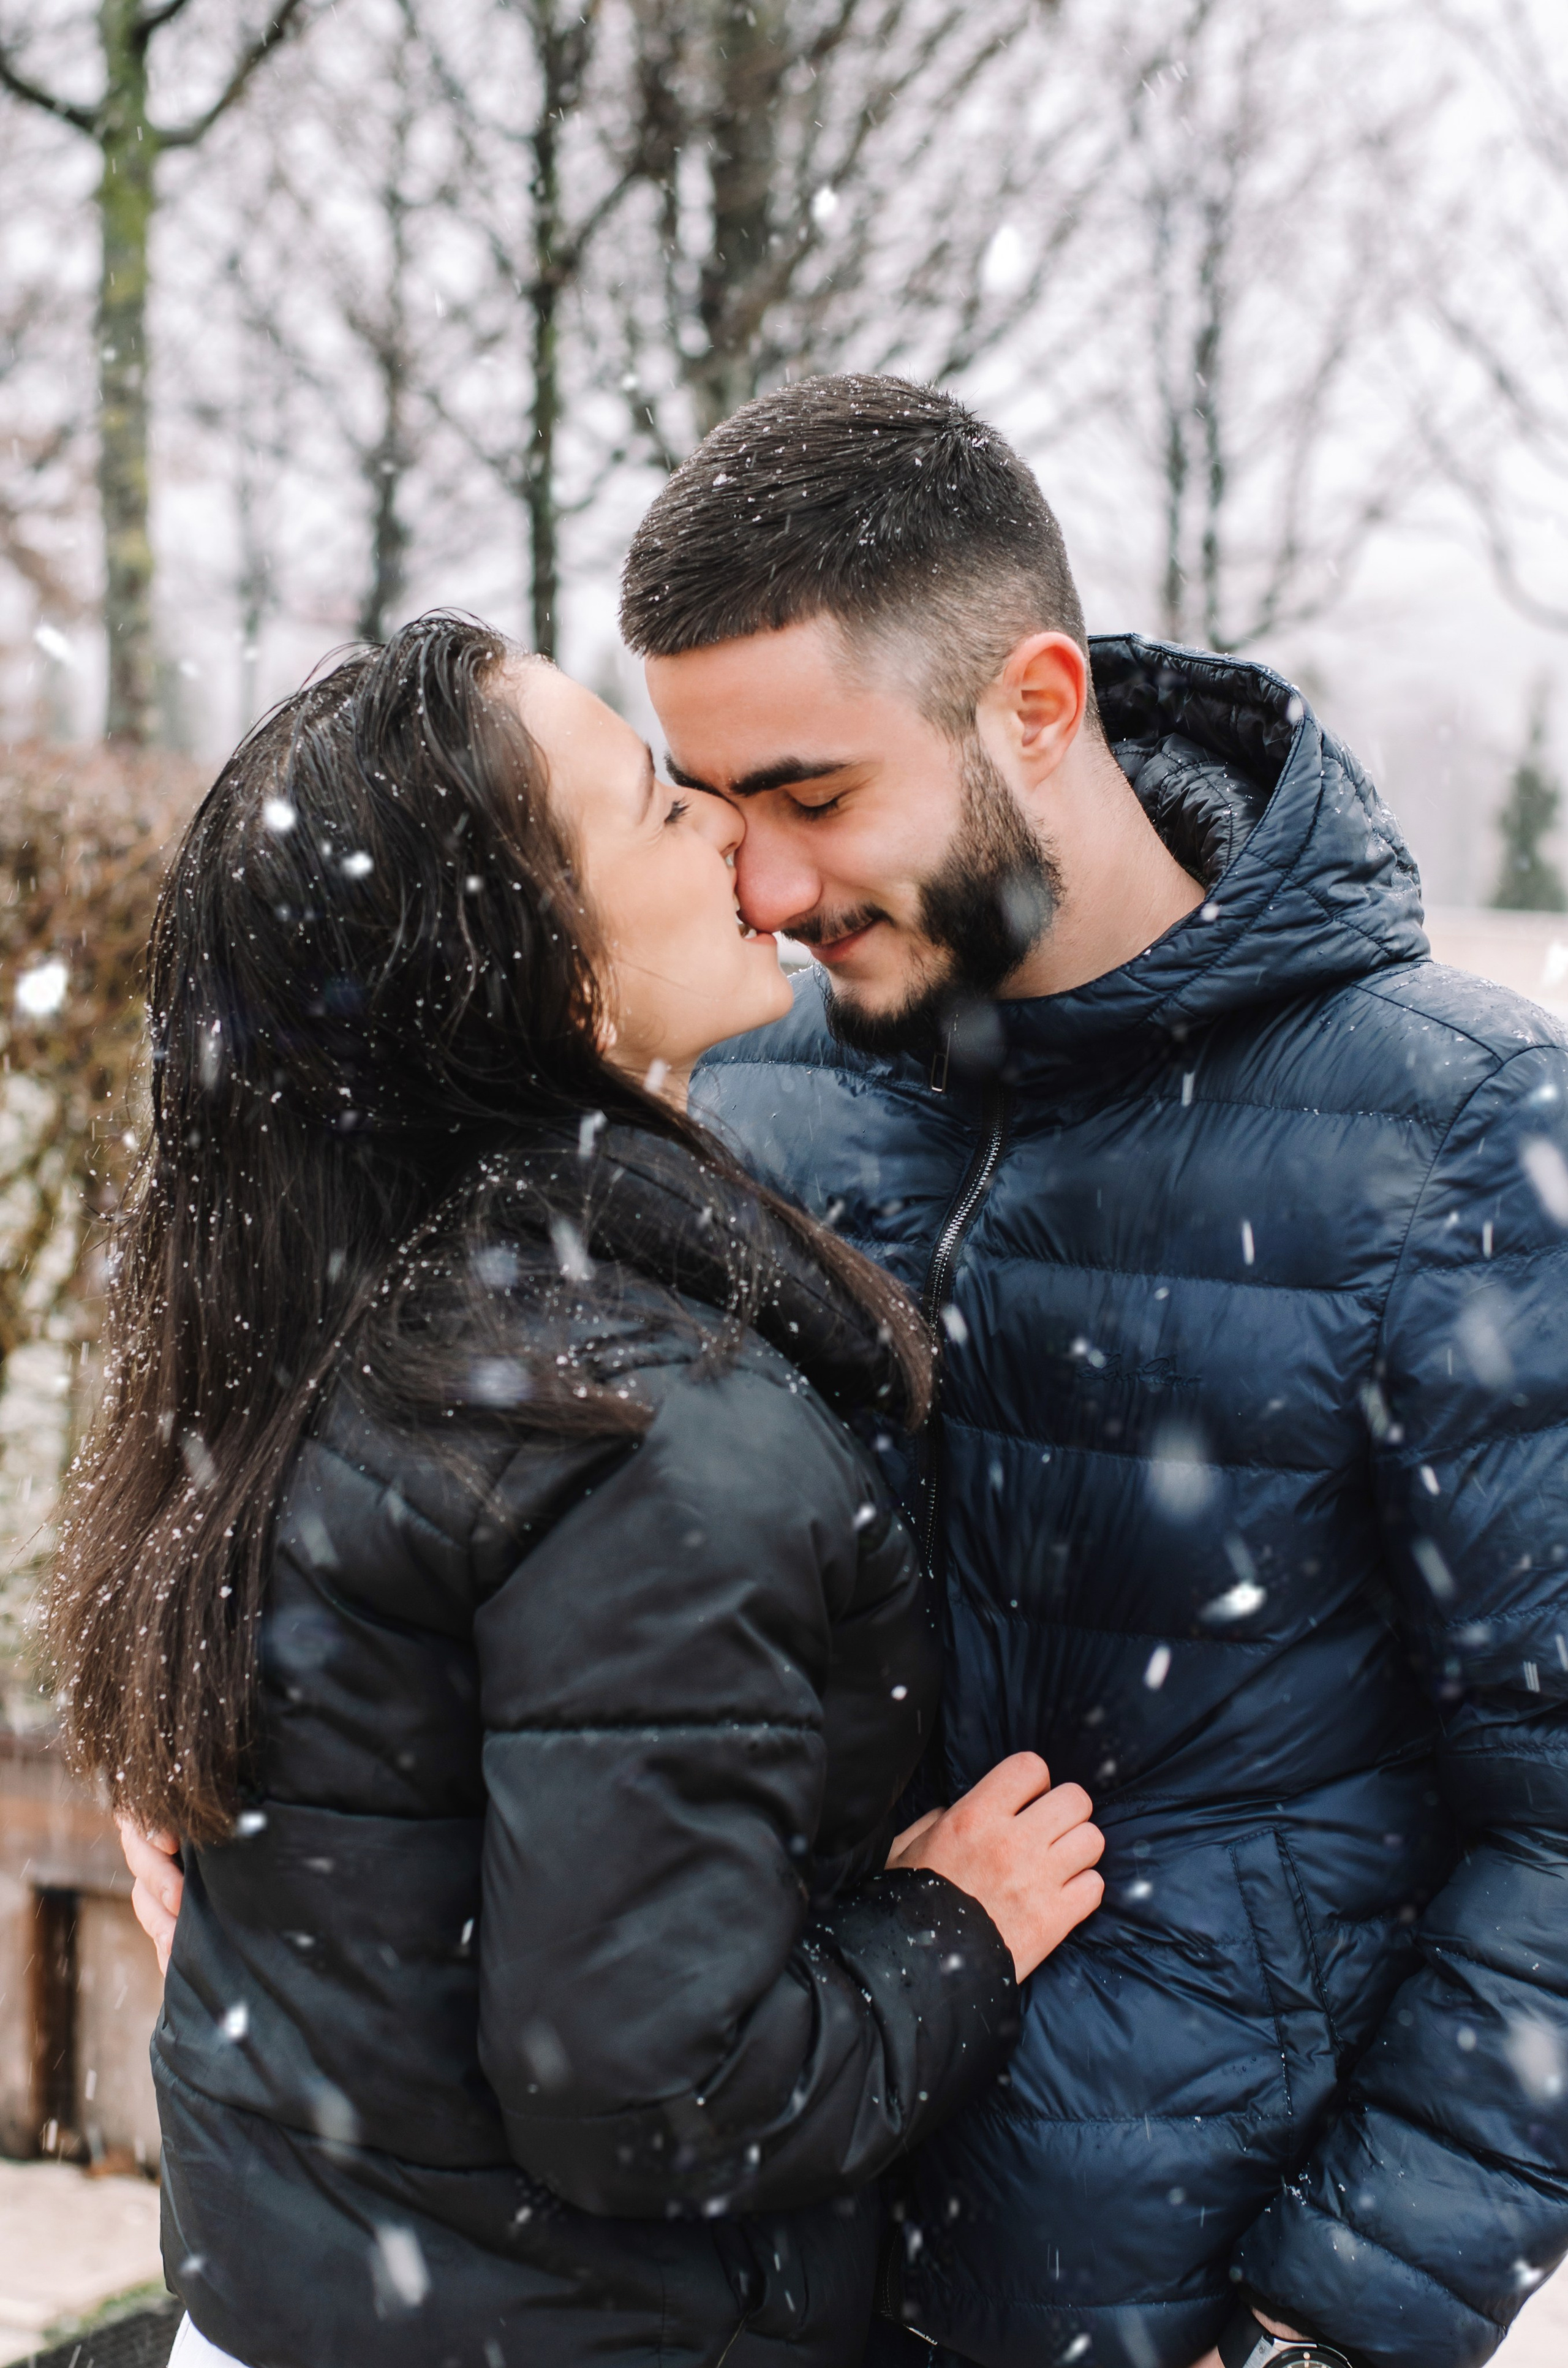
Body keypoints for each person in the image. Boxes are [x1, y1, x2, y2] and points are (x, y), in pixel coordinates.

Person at [611, 375, 1568, 2368]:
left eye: (814, 796)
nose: (763, 888)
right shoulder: (752, 1098)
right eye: (714, 807)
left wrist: (1342, 2313)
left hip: (1163, 2313)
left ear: (1036, 708)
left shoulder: (1453, 1134)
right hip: (736, 2287)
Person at [67, 613, 1106, 2368]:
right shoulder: (628, 1439)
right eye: (654, 805)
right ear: (530, 971)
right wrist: (956, 1935)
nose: (725, 830)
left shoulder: (340, 1314)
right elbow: (653, 2094)